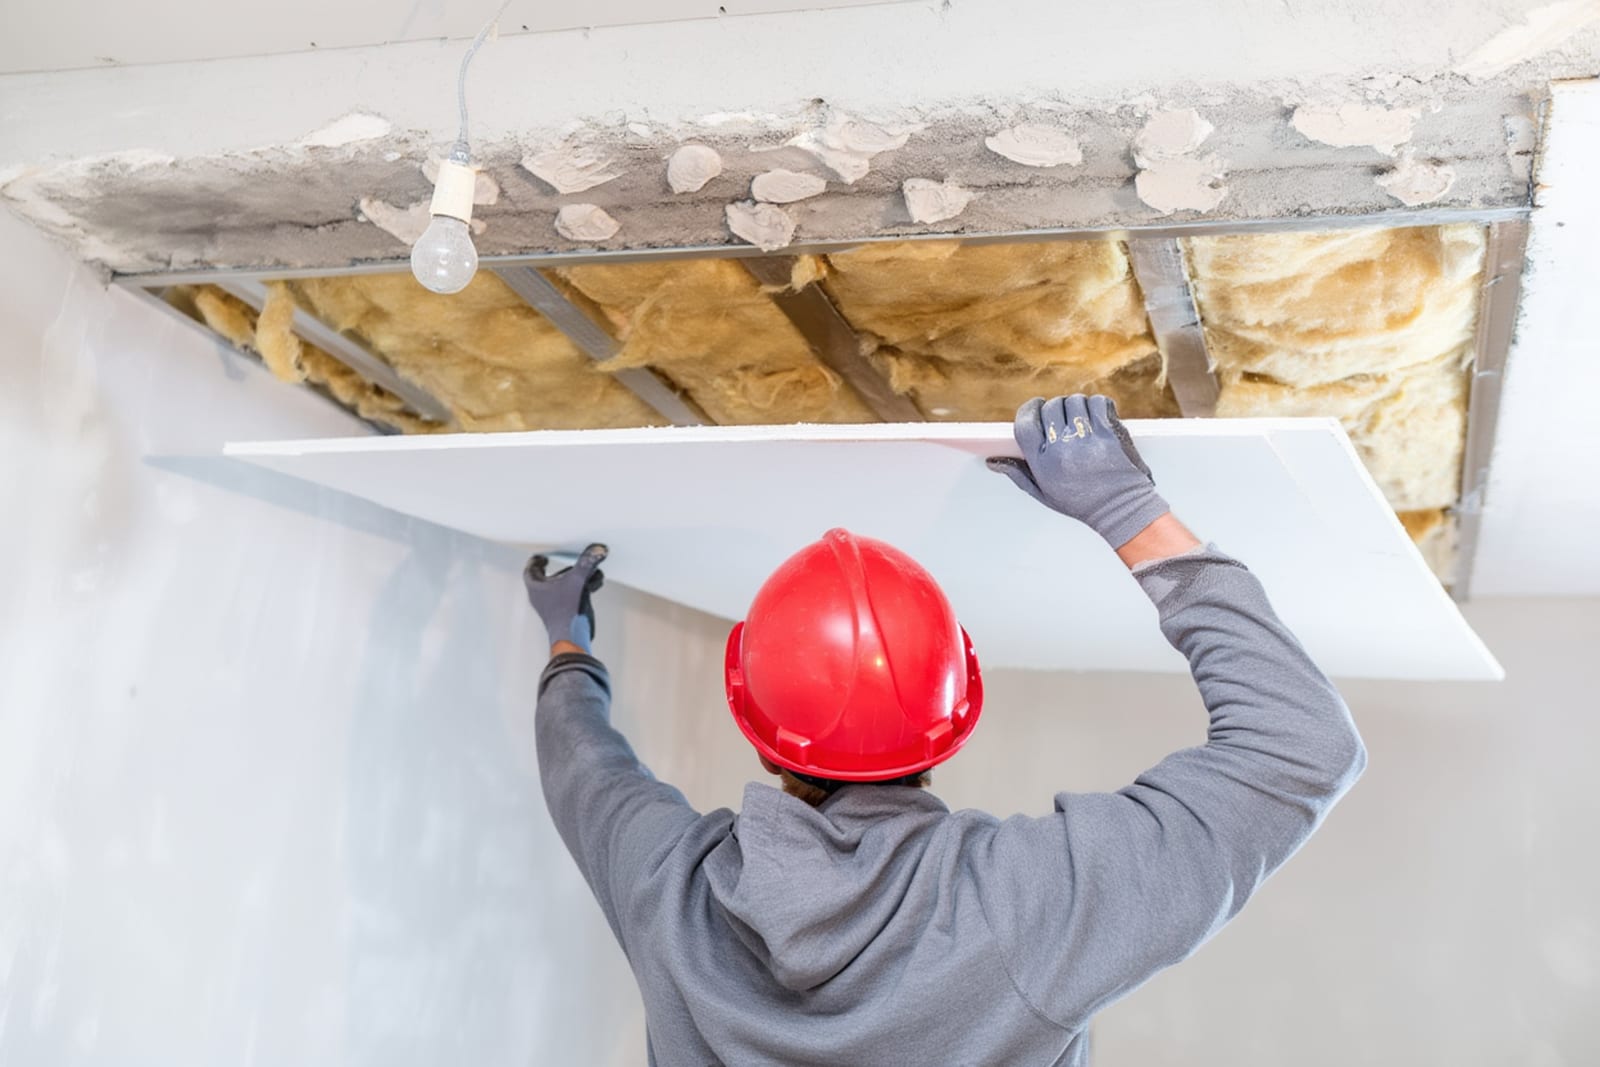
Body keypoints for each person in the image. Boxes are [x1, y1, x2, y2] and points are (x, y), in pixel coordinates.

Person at [525, 394, 1367, 1066]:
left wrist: (569, 644)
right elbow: (1303, 744)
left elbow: (584, 768)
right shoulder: (1030, 903)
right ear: (957, 713)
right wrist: (1125, 509)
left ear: (753, 719)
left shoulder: (669, 890)